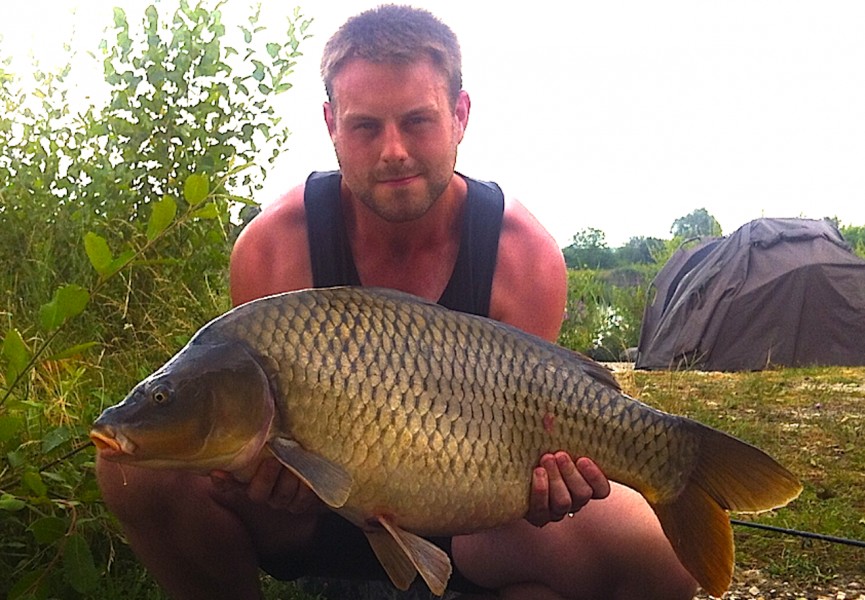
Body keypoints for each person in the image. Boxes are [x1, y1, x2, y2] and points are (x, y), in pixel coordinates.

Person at [96, 6, 698, 599]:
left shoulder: (523, 258)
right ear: (331, 123)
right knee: (130, 469)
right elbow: (251, 442)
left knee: (655, 562)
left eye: (417, 121)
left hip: (473, 524)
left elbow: (536, 442)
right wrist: (267, 476)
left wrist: (546, 488)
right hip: (311, 518)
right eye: (364, 127)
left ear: (460, 115)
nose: (393, 151)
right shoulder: (274, 247)